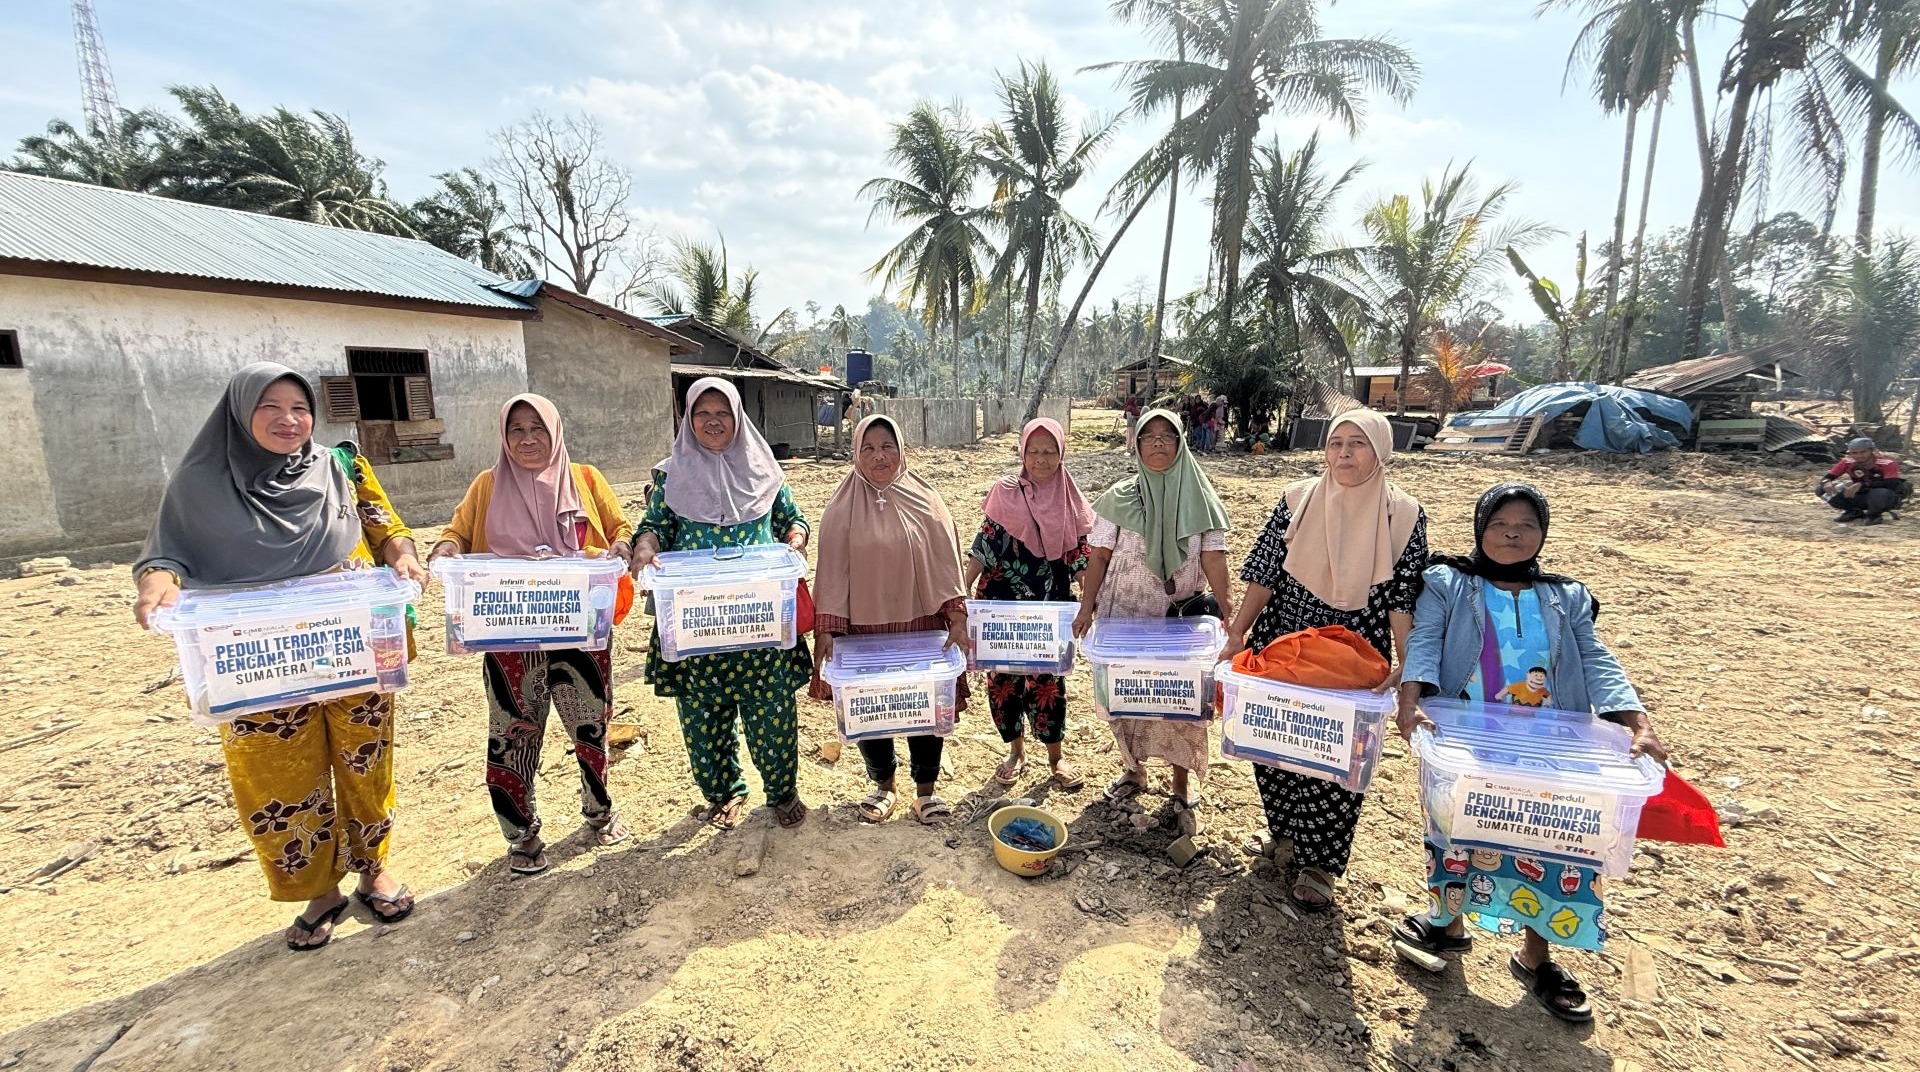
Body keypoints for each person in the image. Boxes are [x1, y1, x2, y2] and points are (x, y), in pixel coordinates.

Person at [132, 363, 426, 951]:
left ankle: (373, 869)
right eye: (271, 408)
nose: (290, 420)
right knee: (279, 776)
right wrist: (156, 580)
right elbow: (167, 555)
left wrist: (402, 555)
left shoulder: (340, 466)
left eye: (300, 407)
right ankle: (319, 890)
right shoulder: (199, 484)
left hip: (351, 647)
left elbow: (385, 527)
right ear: (241, 414)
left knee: (365, 760)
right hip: (258, 659)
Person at [1394, 483, 1669, 1024]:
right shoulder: (1448, 583)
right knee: (1459, 830)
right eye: (1499, 524)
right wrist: (1411, 698)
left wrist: (1638, 722)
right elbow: (1424, 640)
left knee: (1552, 840)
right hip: (1468, 738)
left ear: (1542, 533)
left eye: (1525, 525)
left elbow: (1597, 660)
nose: (1512, 534)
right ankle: (1448, 925)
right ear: (1480, 529)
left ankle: (1537, 956)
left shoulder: (1565, 597)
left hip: (1549, 747)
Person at [1223, 409, 1428, 911]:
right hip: (1287, 643)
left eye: (1358, 444)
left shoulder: (1403, 515)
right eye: (1336, 444)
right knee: (1277, 737)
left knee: (1338, 752)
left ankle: (1320, 862)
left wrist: (1406, 667)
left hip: (1352, 656)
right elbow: (1264, 573)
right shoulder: (1297, 499)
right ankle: (1285, 833)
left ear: (1380, 452)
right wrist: (1236, 634)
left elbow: (1403, 598)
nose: (1344, 455)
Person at [429, 395, 633, 874]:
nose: (527, 439)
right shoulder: (487, 485)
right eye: (516, 429)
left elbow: (618, 526)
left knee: (590, 724)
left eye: (537, 428)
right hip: (509, 635)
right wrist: (444, 549)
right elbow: (456, 533)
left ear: (555, 431)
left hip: (580, 630)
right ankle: (521, 833)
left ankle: (598, 810)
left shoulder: (584, 479)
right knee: (512, 732)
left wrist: (621, 546)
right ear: (504, 436)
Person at [630, 379, 814, 831]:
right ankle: (724, 792)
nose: (713, 422)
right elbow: (653, 528)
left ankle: (782, 791)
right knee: (702, 715)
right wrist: (645, 547)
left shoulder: (764, 470)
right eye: (702, 414)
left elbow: (793, 520)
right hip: (699, 623)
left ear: (738, 418)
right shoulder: (672, 476)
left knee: (771, 712)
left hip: (758, 621)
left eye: (723, 413)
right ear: (688, 421)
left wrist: (795, 540)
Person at [1073, 409, 1234, 835]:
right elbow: (1100, 556)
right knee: (1128, 695)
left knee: (1179, 702)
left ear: (1181, 444)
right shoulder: (1119, 497)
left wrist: (1231, 616)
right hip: (1123, 613)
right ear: (1137, 446)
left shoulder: (1200, 498)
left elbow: (1214, 559)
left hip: (1177, 620)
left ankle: (1181, 785)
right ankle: (1134, 770)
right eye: (1149, 437)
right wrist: (1086, 607)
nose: (1158, 444)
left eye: (1167, 436)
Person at [811, 414, 970, 824]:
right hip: (864, 630)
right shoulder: (840, 507)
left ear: (902, 450)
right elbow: (830, 571)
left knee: (923, 704)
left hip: (919, 624)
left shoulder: (927, 500)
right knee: (872, 706)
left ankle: (926, 790)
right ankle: (883, 785)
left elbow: (945, 562)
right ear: (855, 453)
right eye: (868, 448)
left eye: (887, 447)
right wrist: (827, 629)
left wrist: (955, 616)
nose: (879, 456)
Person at [964, 418, 1094, 790]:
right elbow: (984, 545)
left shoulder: (1070, 498)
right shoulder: (1005, 493)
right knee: (1003, 682)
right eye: (1033, 451)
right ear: (1022, 453)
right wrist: (964, 587)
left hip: (1049, 608)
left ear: (1061, 453)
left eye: (1049, 451)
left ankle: (1056, 757)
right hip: (1000, 606)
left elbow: (1080, 555)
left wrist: (1088, 600)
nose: (1041, 459)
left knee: (1047, 683)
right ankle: (1015, 752)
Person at [1818, 437, 1908, 524]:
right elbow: (1827, 477)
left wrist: (1862, 484)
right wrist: (1827, 482)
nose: (1859, 456)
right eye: (1854, 453)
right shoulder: (1847, 462)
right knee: (1821, 489)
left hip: (1885, 497)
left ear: (1871, 450)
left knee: (1880, 492)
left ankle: (1874, 515)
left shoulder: (1887, 463)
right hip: (1861, 494)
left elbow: (1891, 484)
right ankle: (1853, 511)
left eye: (1863, 452)